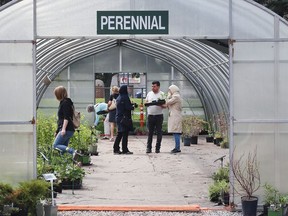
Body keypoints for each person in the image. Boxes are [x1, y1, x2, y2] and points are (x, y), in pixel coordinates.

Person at [52, 86, 79, 160]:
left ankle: (73, 151)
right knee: (62, 150)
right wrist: (57, 131)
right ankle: (64, 164)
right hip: (68, 129)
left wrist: (63, 129)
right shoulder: (65, 102)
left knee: (55, 145)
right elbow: (60, 119)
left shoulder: (65, 103)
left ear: (59, 94)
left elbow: (66, 117)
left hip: (66, 129)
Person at [113, 85, 134, 154]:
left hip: (119, 117)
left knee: (120, 133)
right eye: (127, 89)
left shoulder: (119, 97)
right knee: (125, 134)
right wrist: (133, 106)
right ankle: (124, 149)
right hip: (124, 118)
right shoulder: (125, 97)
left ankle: (116, 148)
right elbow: (128, 107)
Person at [144, 81, 165, 153]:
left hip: (159, 115)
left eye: (154, 86)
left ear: (158, 87)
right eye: (152, 86)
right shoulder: (149, 93)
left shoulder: (162, 94)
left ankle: (157, 148)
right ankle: (148, 148)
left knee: (159, 132)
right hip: (150, 115)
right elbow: (145, 102)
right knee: (150, 132)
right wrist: (149, 103)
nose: (153, 88)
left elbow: (165, 105)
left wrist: (159, 104)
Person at [162, 85, 182, 153]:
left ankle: (177, 148)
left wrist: (168, 96)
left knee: (176, 131)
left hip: (175, 116)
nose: (169, 91)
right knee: (175, 131)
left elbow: (167, 102)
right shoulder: (175, 96)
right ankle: (177, 147)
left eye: (170, 90)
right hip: (174, 115)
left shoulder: (176, 97)